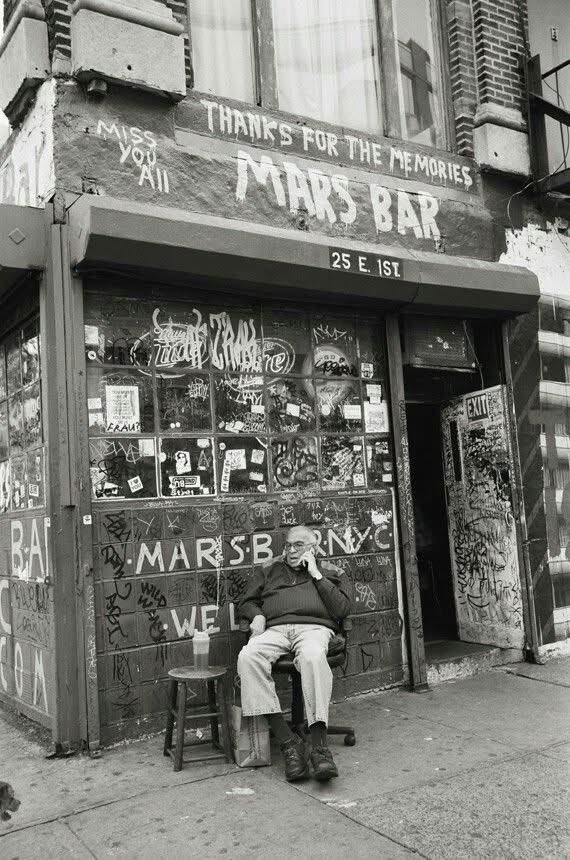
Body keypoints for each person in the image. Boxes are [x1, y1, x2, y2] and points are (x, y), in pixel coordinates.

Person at [237, 525, 351, 782]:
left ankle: (320, 748)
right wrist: (256, 616)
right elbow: (246, 601)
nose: (291, 550)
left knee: (311, 657)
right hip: (274, 630)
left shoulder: (331, 572)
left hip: (314, 629)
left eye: (298, 545)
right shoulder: (270, 569)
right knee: (248, 657)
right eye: (288, 545)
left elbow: (342, 609)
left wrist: (316, 575)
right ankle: (289, 743)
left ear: (315, 546)